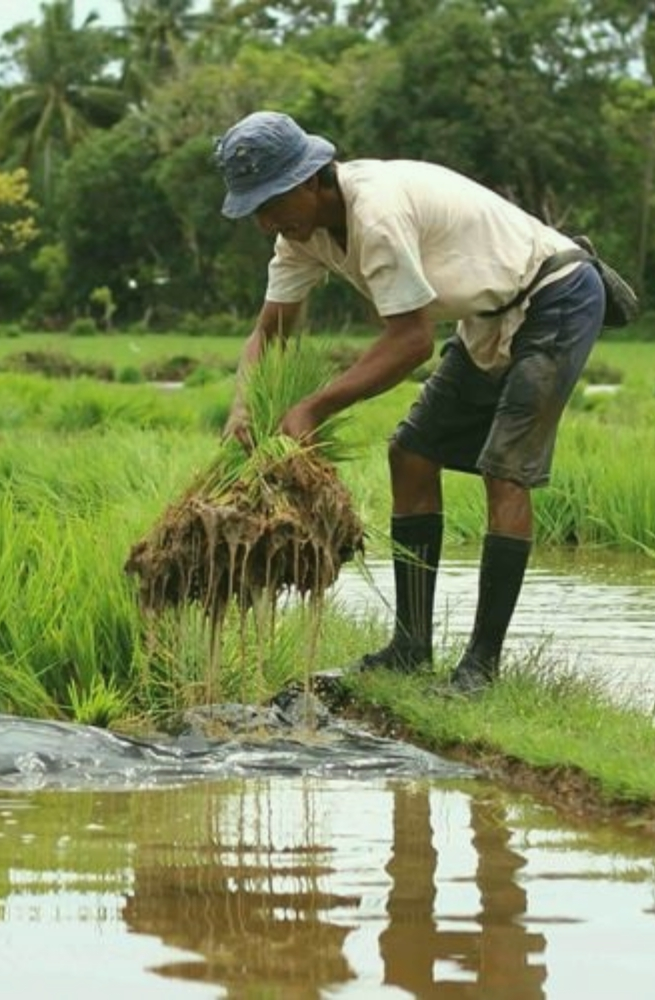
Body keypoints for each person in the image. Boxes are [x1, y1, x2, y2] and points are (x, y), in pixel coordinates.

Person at [213, 110, 606, 693]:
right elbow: (270, 331)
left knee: (504, 470)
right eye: (254, 210)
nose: (267, 219)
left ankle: (480, 667)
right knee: (412, 453)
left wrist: (313, 408)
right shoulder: (300, 236)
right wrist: (243, 405)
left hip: (555, 296)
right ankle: (410, 648)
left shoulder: (375, 213)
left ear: (312, 179)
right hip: (488, 315)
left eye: (273, 202)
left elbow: (412, 341)